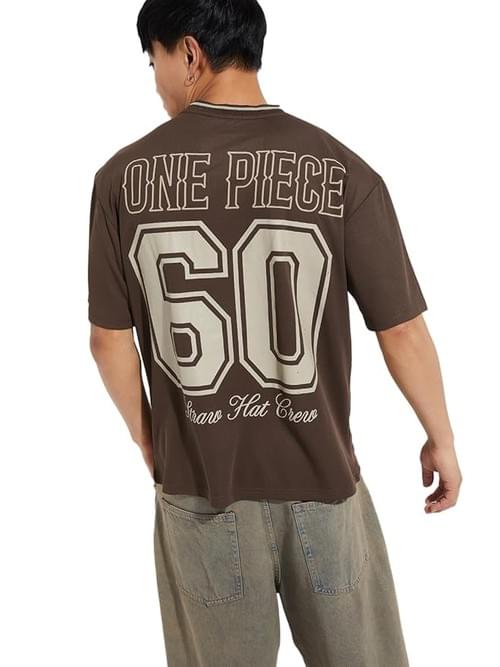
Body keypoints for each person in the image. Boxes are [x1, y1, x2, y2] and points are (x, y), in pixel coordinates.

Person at [87, 1, 463, 664]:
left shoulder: (121, 179)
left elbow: (108, 341)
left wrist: (151, 442)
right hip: (324, 482)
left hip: (200, 487)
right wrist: (442, 438)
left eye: (153, 61)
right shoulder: (342, 170)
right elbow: (402, 327)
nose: (155, 81)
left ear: (190, 54)